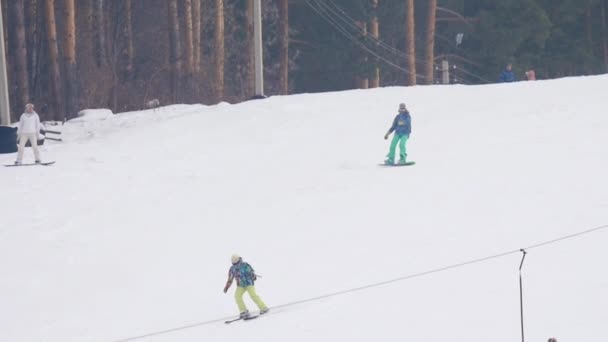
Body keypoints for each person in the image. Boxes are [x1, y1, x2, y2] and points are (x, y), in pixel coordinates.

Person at [223, 254, 269, 318]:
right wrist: (227, 287)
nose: (236, 265)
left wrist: (252, 276)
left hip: (248, 283)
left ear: (239, 260)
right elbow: (230, 278)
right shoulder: (232, 269)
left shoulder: (245, 265)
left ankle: (263, 307)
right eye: (234, 263)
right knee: (237, 296)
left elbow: (251, 271)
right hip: (241, 285)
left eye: (236, 262)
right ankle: (243, 311)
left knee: (253, 295)